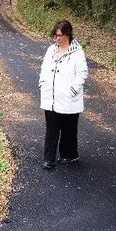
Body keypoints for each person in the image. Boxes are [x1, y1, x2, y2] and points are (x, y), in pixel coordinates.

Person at [38, 20, 89, 170]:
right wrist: (42, 83)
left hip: (68, 97)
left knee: (68, 128)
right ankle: (49, 159)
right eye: (55, 35)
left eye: (60, 35)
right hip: (51, 96)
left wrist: (72, 90)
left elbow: (82, 73)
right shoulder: (51, 50)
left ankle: (69, 155)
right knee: (52, 128)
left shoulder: (77, 52)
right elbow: (44, 68)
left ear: (68, 34)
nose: (57, 39)